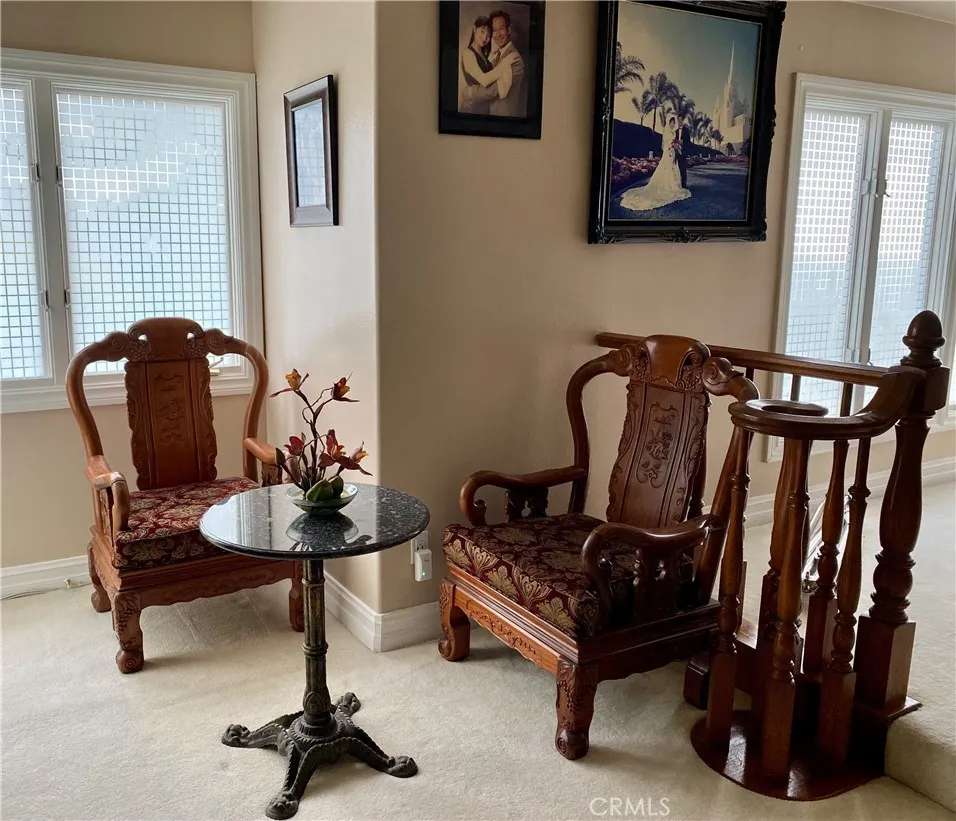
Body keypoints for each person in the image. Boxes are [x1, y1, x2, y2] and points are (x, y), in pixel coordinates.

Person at [619, 115, 691, 212]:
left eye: (674, 122)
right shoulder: (669, 131)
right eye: (672, 122)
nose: (673, 124)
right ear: (669, 123)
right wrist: (671, 147)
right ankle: (667, 187)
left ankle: (679, 185)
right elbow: (665, 143)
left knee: (677, 169)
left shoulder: (678, 131)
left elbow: (685, 142)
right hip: (669, 152)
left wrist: (677, 146)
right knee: (668, 169)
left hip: (676, 153)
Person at [459, 15, 518, 114]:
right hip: (472, 107)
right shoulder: (467, 53)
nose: (485, 38)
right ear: (474, 29)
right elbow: (484, 80)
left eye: (489, 35)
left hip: (485, 107)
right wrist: (505, 63)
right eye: (482, 31)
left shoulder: (484, 55)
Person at [487, 10, 526, 117]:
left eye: (501, 29)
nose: (498, 34)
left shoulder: (516, 60)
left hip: (506, 120)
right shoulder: (495, 55)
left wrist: (470, 93)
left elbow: (493, 90)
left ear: (508, 30)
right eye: (494, 30)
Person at [677, 118, 692, 189]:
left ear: (683, 121)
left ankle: (684, 185)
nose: (680, 121)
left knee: (683, 169)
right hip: (676, 153)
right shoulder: (675, 131)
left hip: (683, 152)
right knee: (677, 169)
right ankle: (678, 185)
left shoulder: (686, 130)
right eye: (678, 120)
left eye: (681, 120)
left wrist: (683, 142)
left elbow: (688, 141)